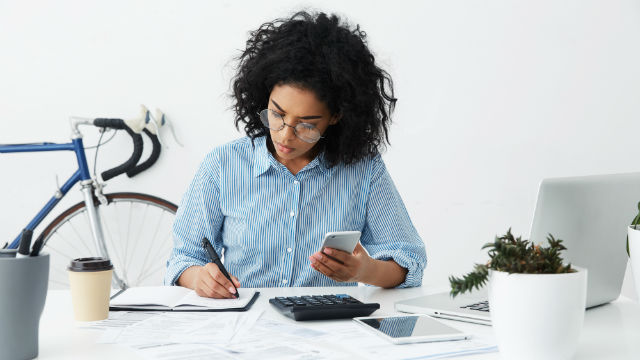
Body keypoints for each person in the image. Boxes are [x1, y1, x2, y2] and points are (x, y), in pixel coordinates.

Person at [165, 10, 427, 298]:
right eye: (276, 114)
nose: (285, 135)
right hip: (246, 329)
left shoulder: (363, 170)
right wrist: (199, 277)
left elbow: (408, 261)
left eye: (306, 125)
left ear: (337, 116)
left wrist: (363, 271)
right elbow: (183, 259)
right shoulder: (223, 165)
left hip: (329, 330)